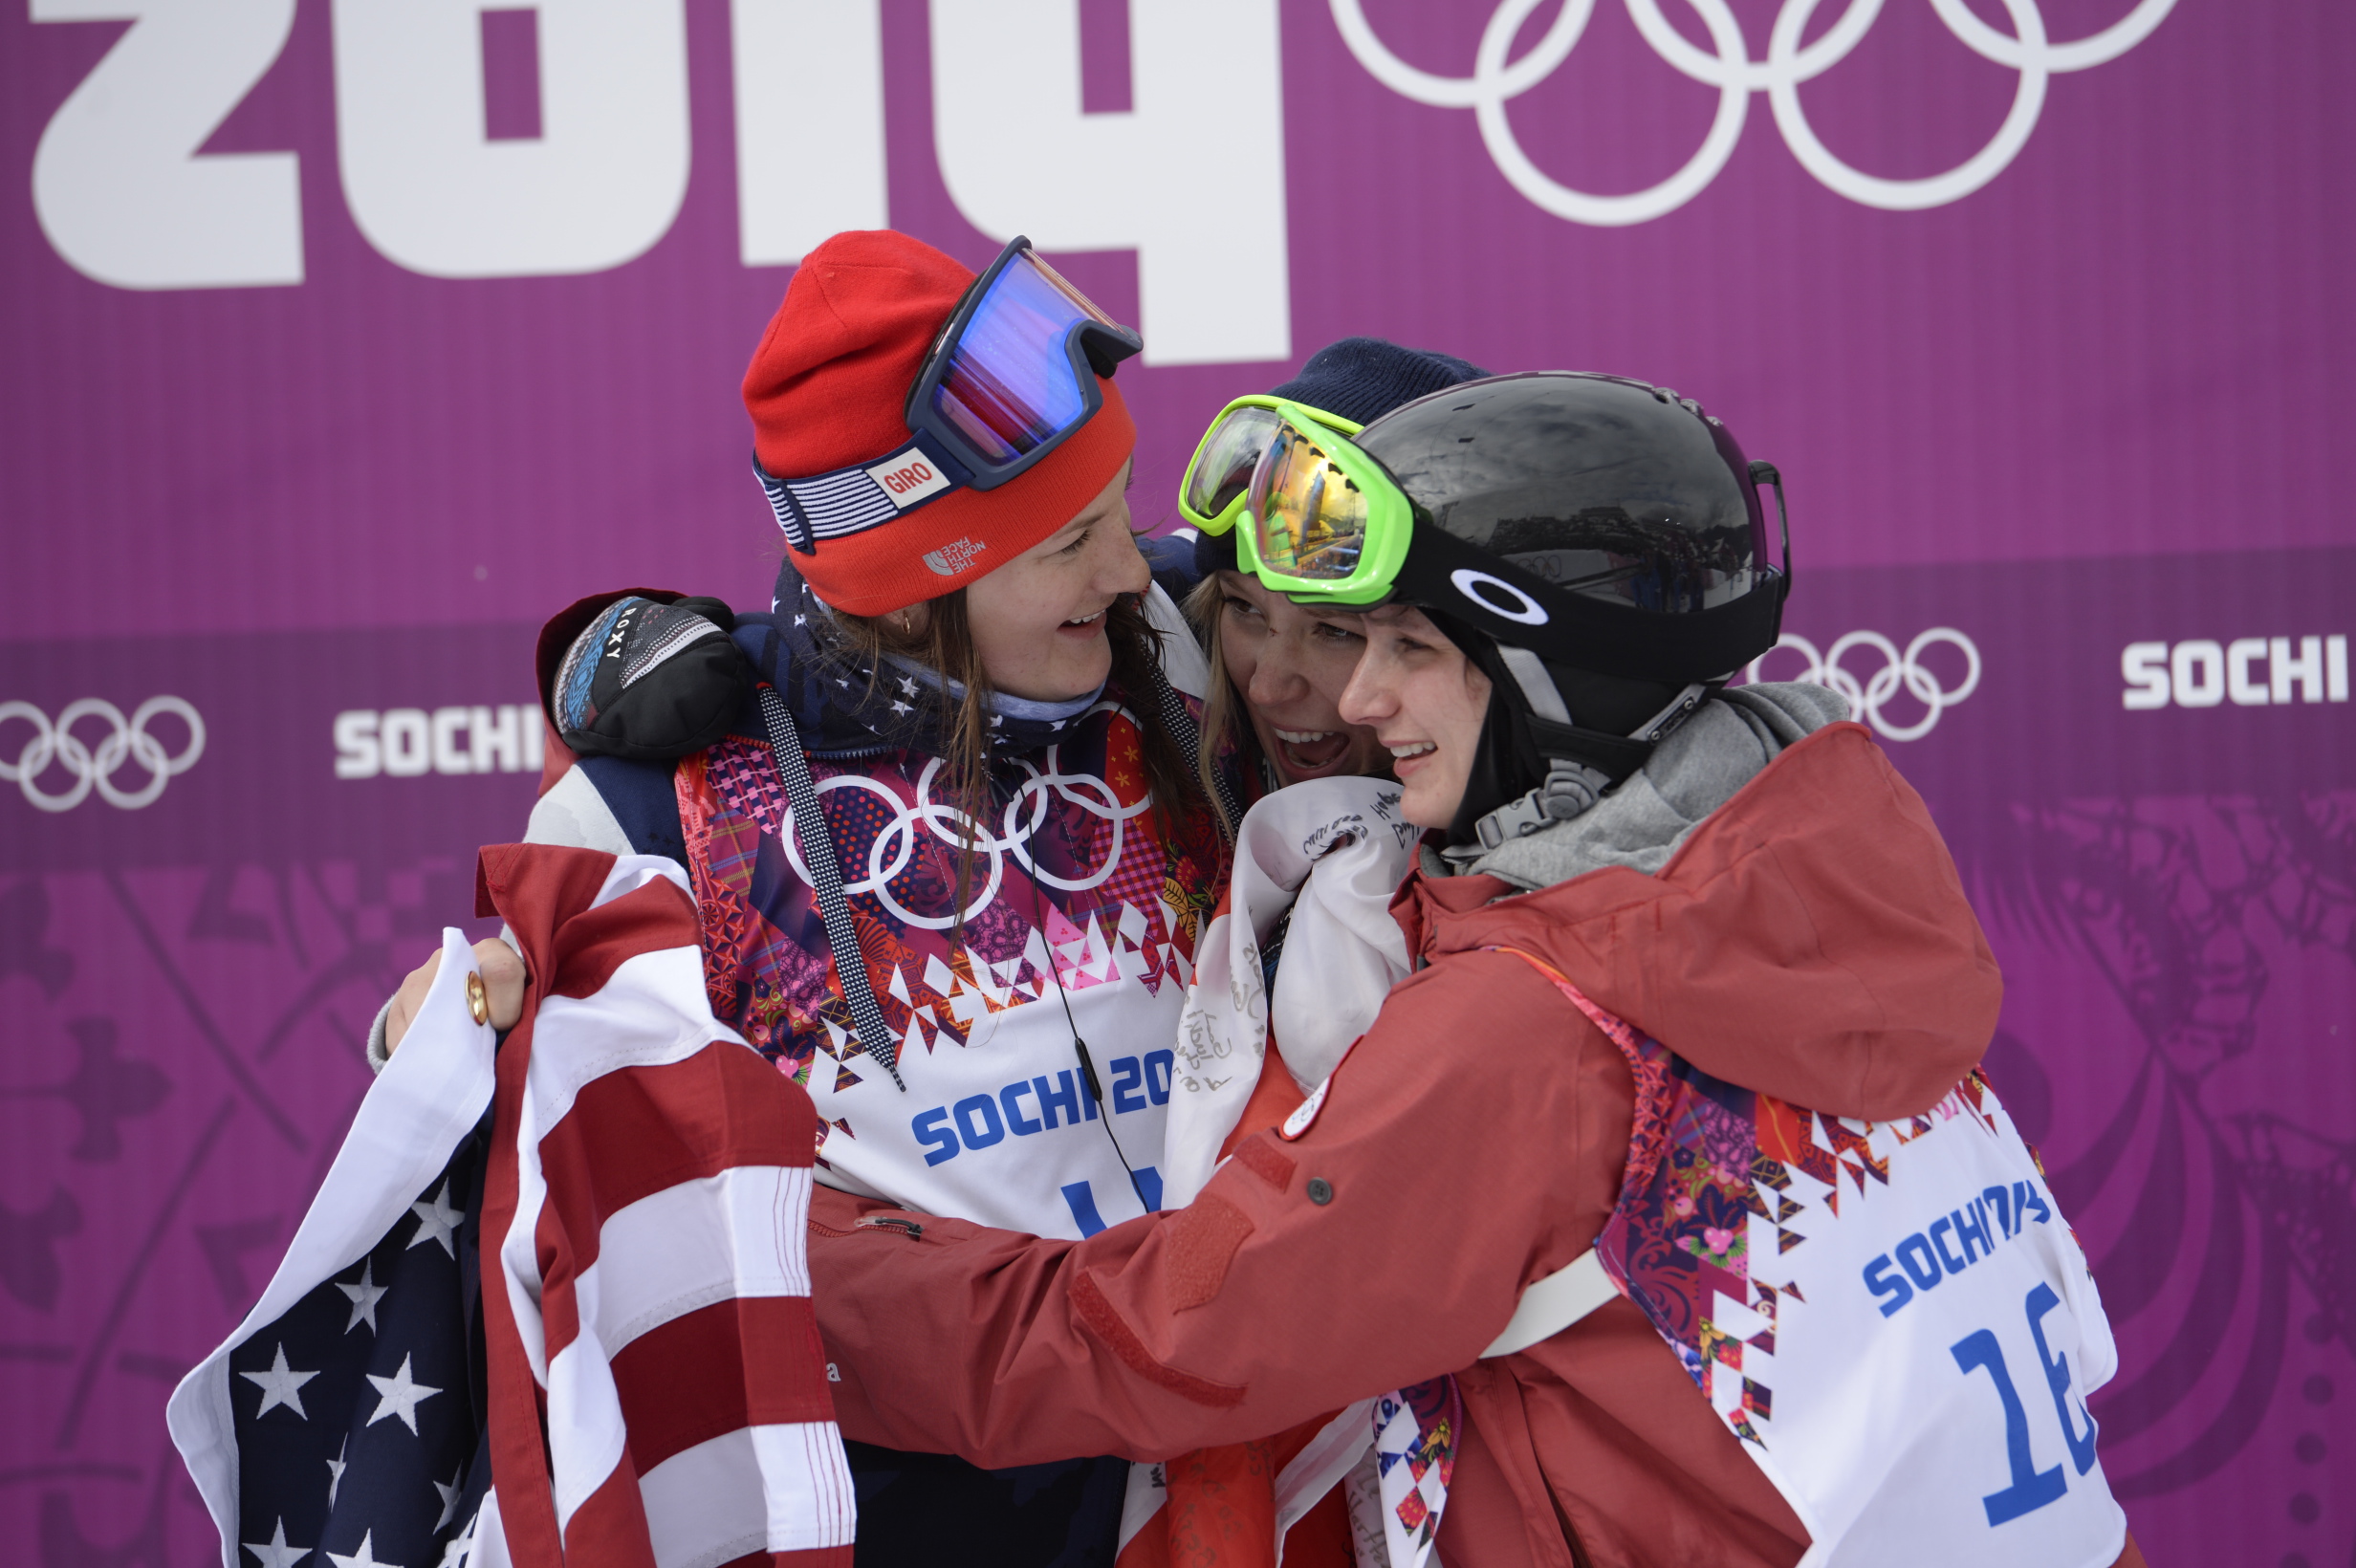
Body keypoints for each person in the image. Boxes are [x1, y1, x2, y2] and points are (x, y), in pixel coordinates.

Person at [801, 373, 2146, 1568]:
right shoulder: (1832, 867)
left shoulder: (1533, 1027)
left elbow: (1167, 1341)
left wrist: (796, 1277)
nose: (1357, 700)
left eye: (1408, 648)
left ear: (1543, 671)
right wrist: (766, 651)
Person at [378, 228, 1233, 1565]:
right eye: (1071, 541)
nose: (1129, 569)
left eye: (1123, 509)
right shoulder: (668, 797)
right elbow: (552, 1097)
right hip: (917, 1497)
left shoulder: (1194, 649)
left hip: (1232, 1457)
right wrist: (462, 1032)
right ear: (913, 584)